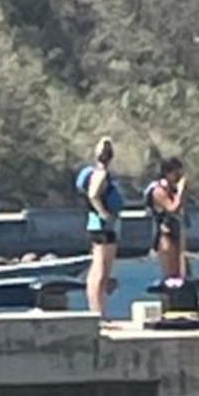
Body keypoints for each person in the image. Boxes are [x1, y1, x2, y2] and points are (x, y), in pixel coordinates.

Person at [77, 136, 122, 318]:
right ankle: (98, 312)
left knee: (101, 271)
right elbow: (93, 195)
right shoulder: (101, 174)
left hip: (100, 226)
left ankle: (99, 310)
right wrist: (103, 213)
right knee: (101, 272)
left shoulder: (99, 173)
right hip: (102, 226)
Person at [145, 155, 188, 283]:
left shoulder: (172, 190)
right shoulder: (158, 191)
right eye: (176, 173)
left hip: (176, 231)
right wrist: (180, 191)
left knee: (181, 272)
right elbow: (172, 208)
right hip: (164, 234)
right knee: (171, 274)